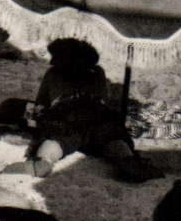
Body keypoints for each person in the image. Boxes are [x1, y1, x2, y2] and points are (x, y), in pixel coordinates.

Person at [25, 39, 157, 182]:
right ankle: (127, 159)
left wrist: (38, 120)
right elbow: (104, 101)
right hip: (96, 116)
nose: (52, 61)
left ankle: (44, 160)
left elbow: (41, 104)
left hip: (66, 117)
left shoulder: (53, 73)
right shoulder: (97, 72)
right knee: (112, 138)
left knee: (55, 140)